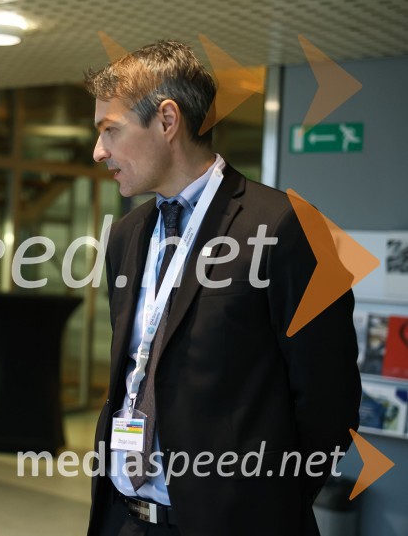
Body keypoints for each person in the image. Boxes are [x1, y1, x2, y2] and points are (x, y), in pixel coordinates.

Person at [84, 41, 361, 536]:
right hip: (123, 518)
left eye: (111, 130)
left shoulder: (284, 225)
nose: (99, 150)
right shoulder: (128, 234)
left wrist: (268, 506)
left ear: (168, 121)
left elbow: (328, 399)